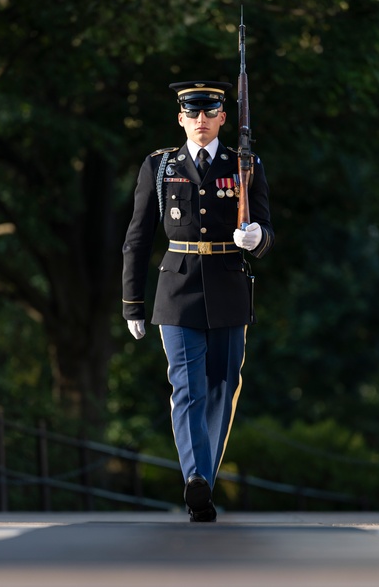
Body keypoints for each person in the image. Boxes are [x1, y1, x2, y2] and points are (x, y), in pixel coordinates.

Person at [121, 80, 274, 522]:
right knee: (186, 389)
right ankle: (196, 481)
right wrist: (133, 301)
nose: (201, 120)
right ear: (181, 118)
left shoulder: (244, 164)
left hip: (229, 284)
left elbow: (267, 228)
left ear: (224, 117)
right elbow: (138, 237)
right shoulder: (160, 166)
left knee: (222, 388)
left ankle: (202, 478)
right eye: (193, 113)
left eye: (210, 112)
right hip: (177, 288)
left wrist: (257, 236)